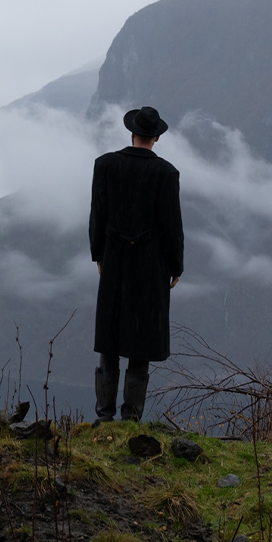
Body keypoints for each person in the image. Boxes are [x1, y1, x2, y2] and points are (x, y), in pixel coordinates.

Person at [89, 105, 183, 424]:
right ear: (156, 137)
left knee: (111, 337)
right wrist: (176, 266)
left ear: (131, 133)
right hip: (151, 265)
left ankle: (104, 416)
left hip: (114, 261)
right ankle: (131, 419)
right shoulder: (167, 174)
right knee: (141, 341)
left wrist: (98, 254)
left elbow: (97, 215)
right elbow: (173, 225)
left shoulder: (105, 165)